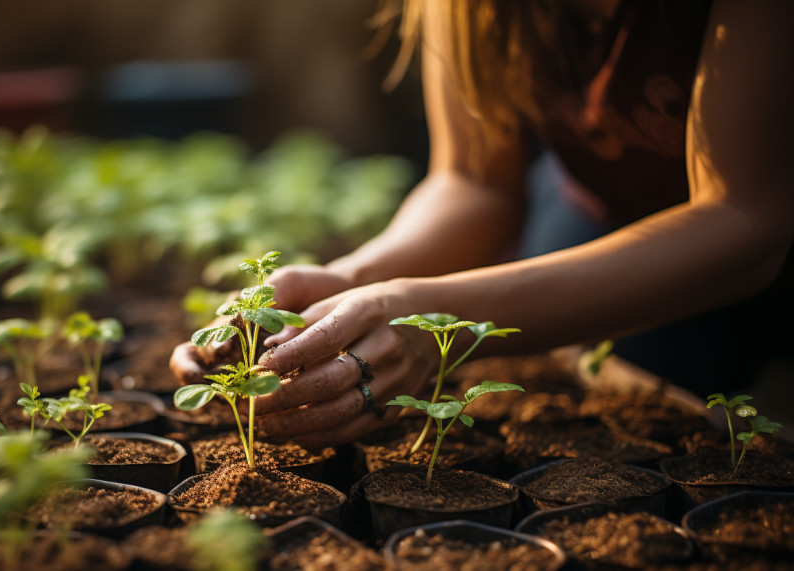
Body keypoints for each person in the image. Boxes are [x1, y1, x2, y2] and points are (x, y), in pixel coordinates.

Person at [171, 0, 794, 447]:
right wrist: (351, 282)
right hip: (604, 206)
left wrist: (426, 318)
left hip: (750, 232)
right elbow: (473, 182)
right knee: (640, 390)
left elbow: (744, 218)